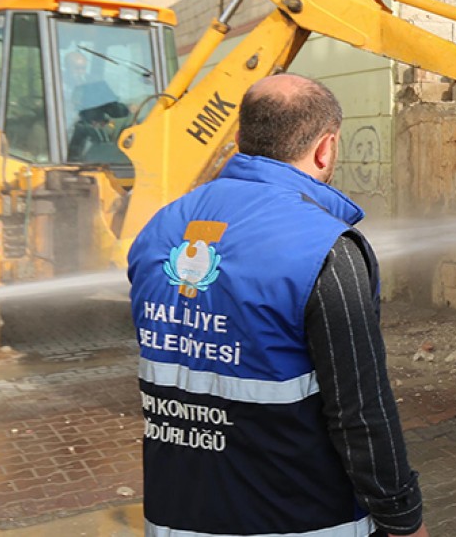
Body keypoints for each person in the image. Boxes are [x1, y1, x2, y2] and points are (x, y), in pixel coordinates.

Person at [128, 73, 426, 537]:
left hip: (174, 517)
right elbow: (360, 412)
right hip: (299, 520)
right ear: (325, 148)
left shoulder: (160, 229)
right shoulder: (326, 248)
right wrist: (402, 517)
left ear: (239, 139)